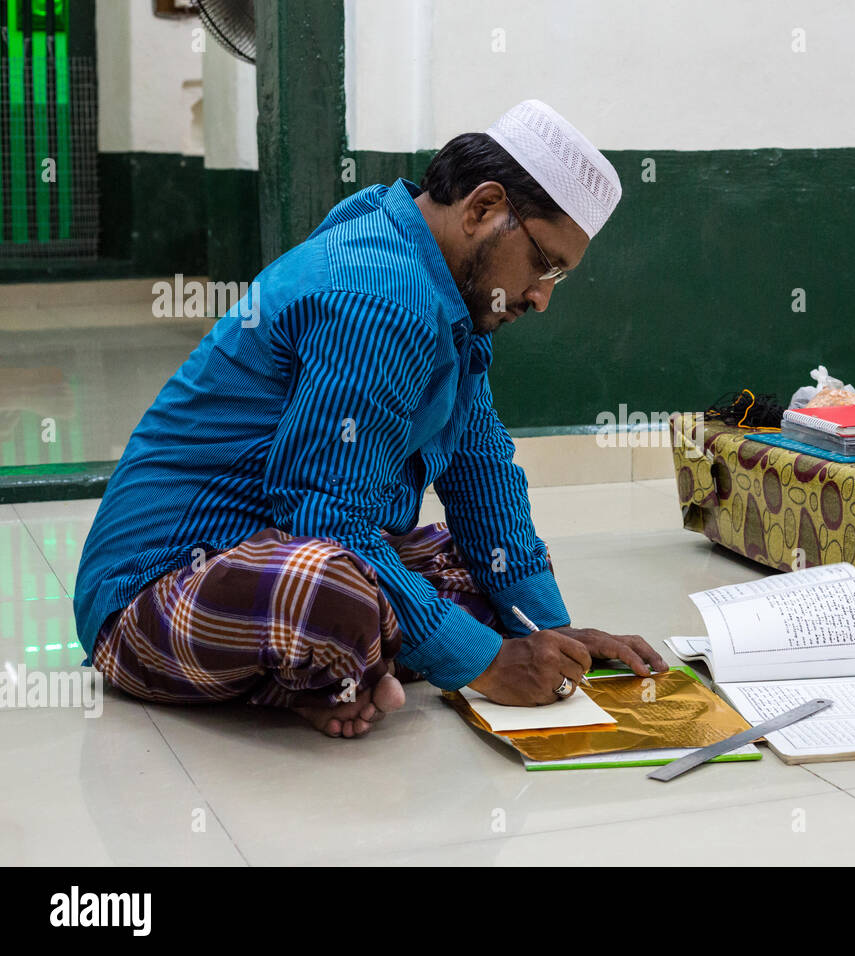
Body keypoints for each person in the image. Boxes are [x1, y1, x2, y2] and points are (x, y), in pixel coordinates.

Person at [73, 99, 667, 738]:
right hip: (159, 592)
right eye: (544, 264)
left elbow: (482, 475)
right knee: (331, 592)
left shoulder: (438, 283)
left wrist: (545, 635)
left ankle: (333, 674)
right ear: (483, 208)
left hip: (274, 545)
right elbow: (322, 516)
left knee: (478, 568)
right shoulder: (382, 297)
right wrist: (492, 663)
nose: (542, 297)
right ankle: (332, 664)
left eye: (559, 278)